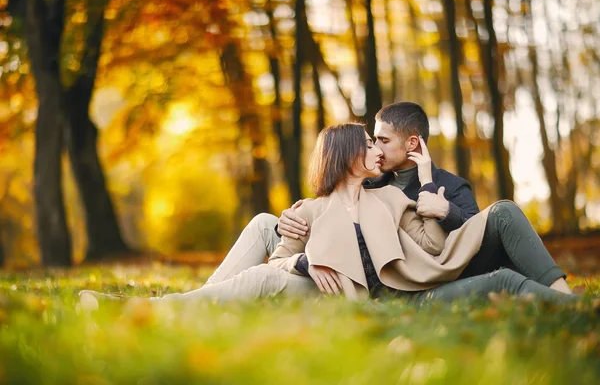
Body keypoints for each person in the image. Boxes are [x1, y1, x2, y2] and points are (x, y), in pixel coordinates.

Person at [81, 123, 576, 307]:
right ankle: (137, 312)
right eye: (369, 144)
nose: (377, 153)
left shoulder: (390, 198)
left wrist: (427, 186)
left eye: (379, 142)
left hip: (409, 300)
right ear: (345, 156)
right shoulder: (309, 211)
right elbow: (277, 261)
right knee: (256, 279)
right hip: (341, 301)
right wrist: (304, 263)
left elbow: (432, 248)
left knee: (509, 282)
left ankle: (579, 311)